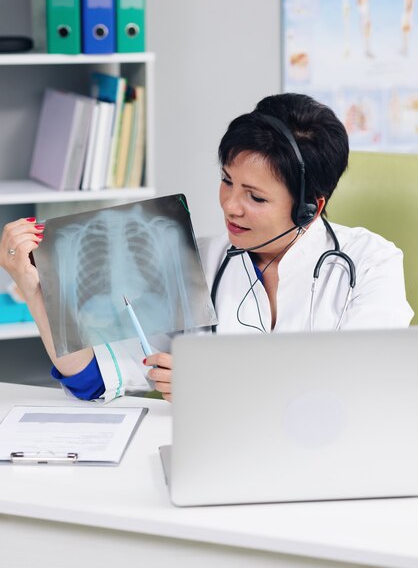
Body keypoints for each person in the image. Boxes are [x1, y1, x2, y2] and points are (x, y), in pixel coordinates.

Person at [0, 93, 413, 403]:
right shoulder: (195, 258)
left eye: (256, 197)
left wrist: (218, 388)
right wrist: (37, 291)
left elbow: (361, 393)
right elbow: (92, 379)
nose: (230, 206)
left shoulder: (371, 262)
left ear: (311, 207)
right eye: (227, 180)